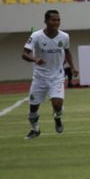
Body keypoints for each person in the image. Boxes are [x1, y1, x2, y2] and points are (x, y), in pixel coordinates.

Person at [21, 10, 78, 139]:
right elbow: (24, 54)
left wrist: (73, 68)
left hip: (57, 76)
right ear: (46, 21)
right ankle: (35, 130)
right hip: (39, 77)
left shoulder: (64, 36)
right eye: (53, 20)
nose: (56, 22)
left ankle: (57, 118)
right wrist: (36, 60)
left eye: (58, 20)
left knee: (57, 105)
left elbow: (67, 52)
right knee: (33, 109)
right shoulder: (36, 36)